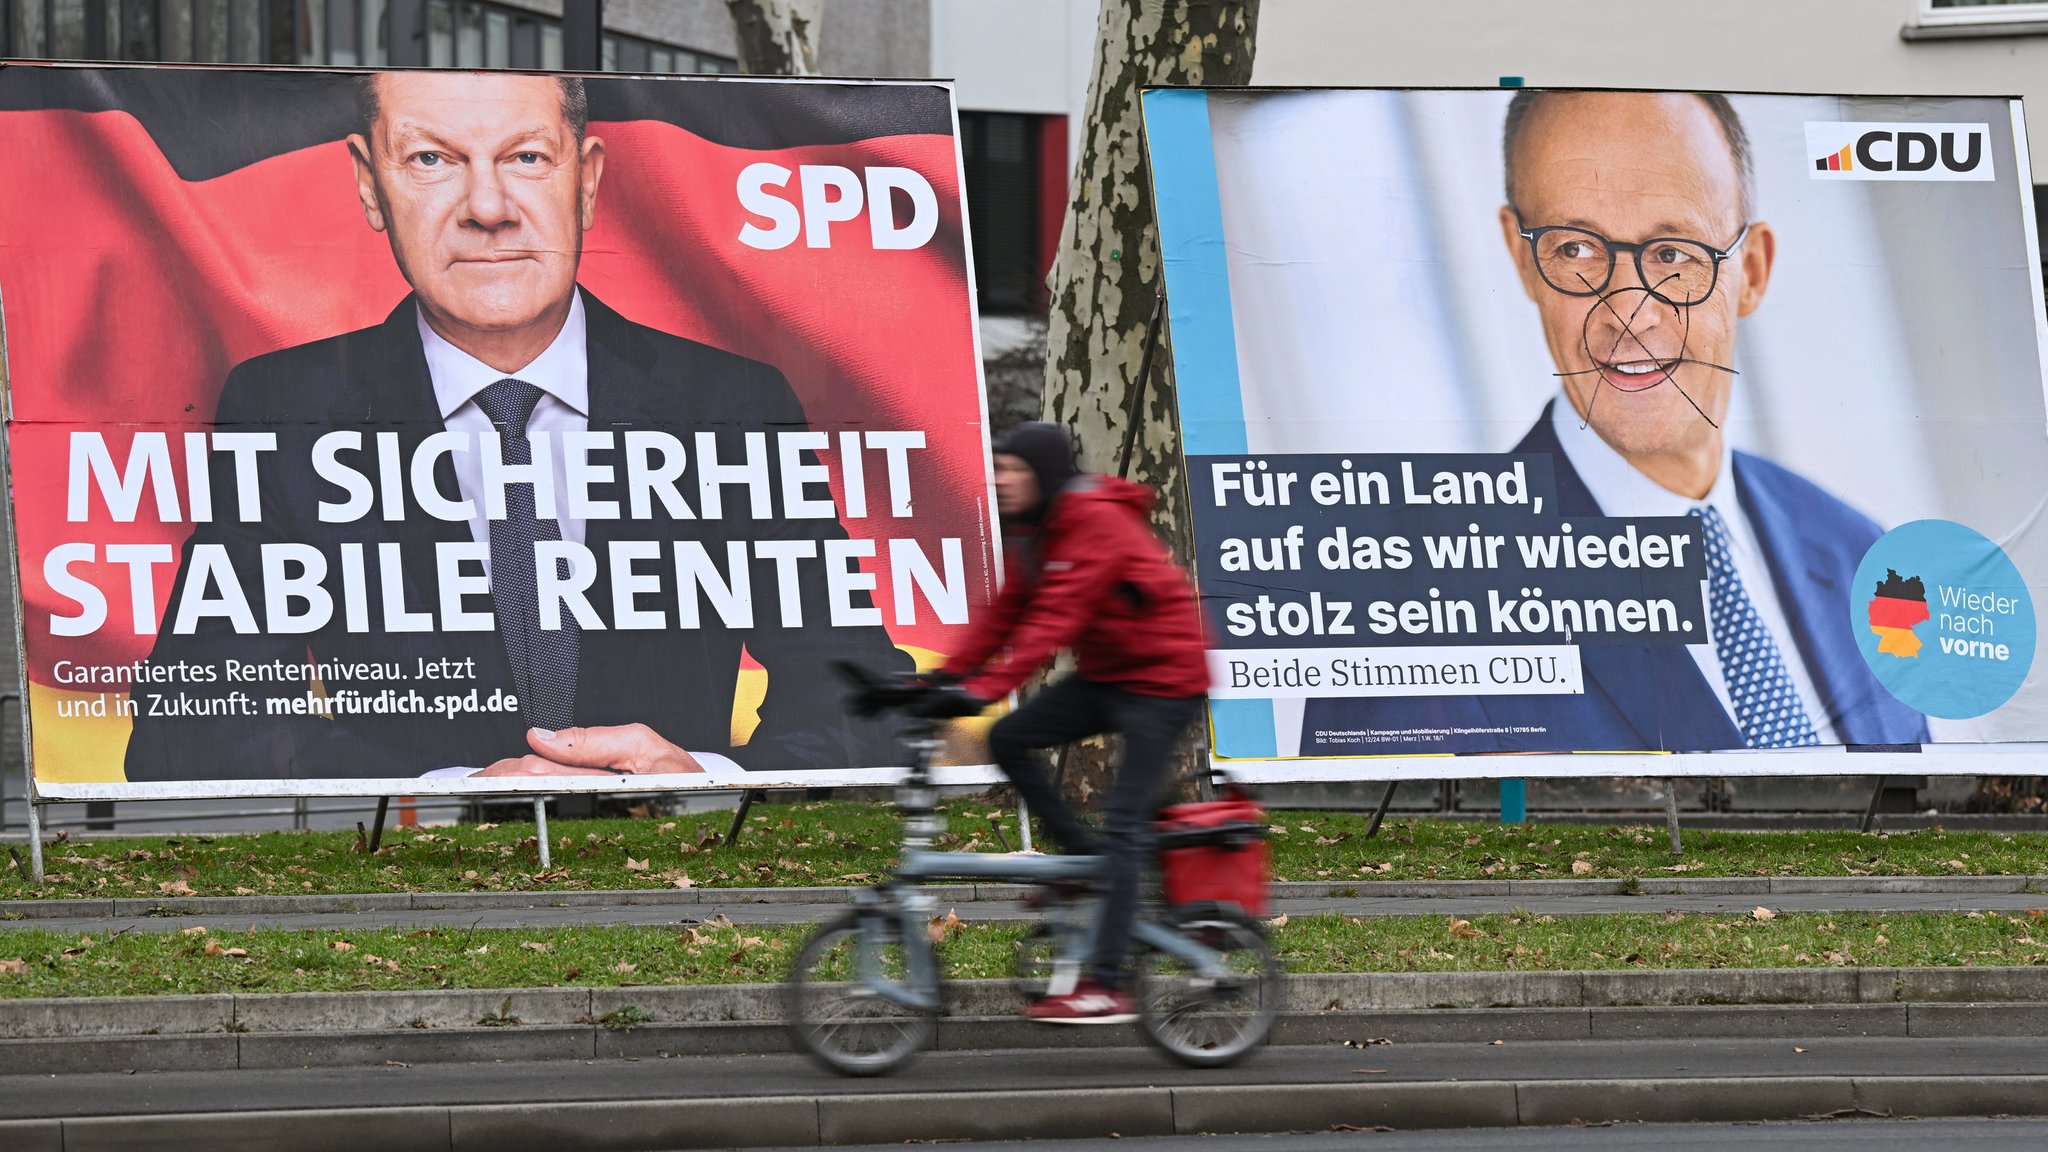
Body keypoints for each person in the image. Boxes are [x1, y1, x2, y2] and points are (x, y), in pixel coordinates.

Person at [123, 71, 908, 782]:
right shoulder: (289, 408)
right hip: (417, 912)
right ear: (370, 186)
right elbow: (190, 730)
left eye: (527, 158)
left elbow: (870, 700)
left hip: (682, 898)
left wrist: (701, 783)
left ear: (588, 179)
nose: (489, 209)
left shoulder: (729, 405)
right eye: (432, 160)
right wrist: (452, 799)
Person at [1303, 91, 1925, 755]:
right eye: (1576, 249)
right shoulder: (1412, 619)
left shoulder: (1863, 558)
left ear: (1752, 270)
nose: (1629, 311)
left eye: (1672, 254)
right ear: (1522, 259)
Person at [911, 422, 1210, 1023]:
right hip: (1112, 675)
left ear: (1043, 474)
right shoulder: (1038, 532)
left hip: (1164, 678)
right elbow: (1006, 616)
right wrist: (939, 681)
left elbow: (1052, 620)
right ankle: (1079, 864)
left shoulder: (1091, 520)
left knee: (1123, 822)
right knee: (1009, 737)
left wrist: (978, 691)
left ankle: (1106, 985)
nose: (999, 480)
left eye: (1012, 469)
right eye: (996, 468)